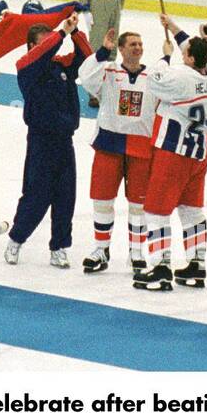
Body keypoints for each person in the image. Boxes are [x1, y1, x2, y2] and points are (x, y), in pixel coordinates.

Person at [134, 15, 207, 292]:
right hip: (200, 152)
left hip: (174, 150)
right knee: (192, 210)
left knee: (157, 210)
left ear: (188, 57)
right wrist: (174, 28)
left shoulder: (180, 77)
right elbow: (197, 51)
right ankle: (196, 264)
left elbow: (153, 78)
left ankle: (160, 267)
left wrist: (164, 55)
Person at [4, 10, 91, 268]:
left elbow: (86, 59)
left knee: (66, 197)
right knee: (36, 196)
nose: (51, 45)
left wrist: (74, 31)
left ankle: (59, 247)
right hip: (41, 142)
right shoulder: (26, 69)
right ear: (32, 46)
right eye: (46, 41)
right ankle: (16, 240)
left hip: (65, 141)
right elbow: (40, 56)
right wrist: (60, 32)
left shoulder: (61, 66)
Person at [78, 27, 155, 276]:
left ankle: (136, 252)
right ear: (121, 49)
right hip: (109, 142)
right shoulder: (108, 70)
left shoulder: (153, 76)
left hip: (141, 145)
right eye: (132, 44)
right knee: (102, 200)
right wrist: (103, 50)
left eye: (140, 44)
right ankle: (101, 249)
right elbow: (85, 76)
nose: (138, 48)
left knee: (138, 204)